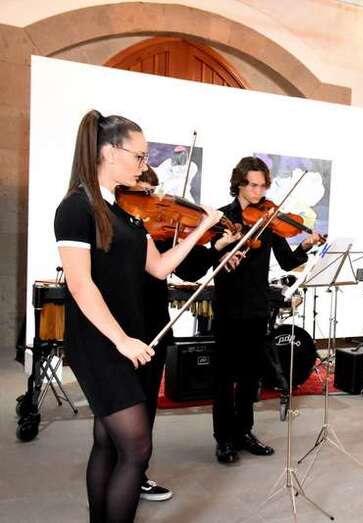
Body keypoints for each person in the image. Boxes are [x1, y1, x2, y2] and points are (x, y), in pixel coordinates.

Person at [54, 110, 222, 522]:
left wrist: (203, 229)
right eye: (140, 156)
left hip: (127, 340)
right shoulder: (76, 208)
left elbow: (160, 267)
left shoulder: (128, 212)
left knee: (108, 443)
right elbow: (80, 285)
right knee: (136, 447)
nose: (144, 165)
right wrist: (121, 340)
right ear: (110, 152)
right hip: (101, 342)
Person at [134, 167, 241, 501]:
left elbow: (189, 268)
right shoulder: (119, 228)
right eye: (143, 194)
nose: (151, 205)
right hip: (124, 324)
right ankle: (121, 469)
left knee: (147, 402)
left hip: (153, 322)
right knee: (123, 407)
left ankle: (138, 472)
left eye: (153, 194)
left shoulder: (162, 233)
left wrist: (217, 245)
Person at [210, 156, 321, 464]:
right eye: (253, 185)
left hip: (258, 308)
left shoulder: (268, 220)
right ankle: (223, 439)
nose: (259, 192)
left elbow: (287, 262)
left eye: (263, 186)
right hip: (229, 307)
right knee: (224, 377)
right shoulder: (221, 217)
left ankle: (244, 432)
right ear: (239, 184)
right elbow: (211, 259)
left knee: (249, 377)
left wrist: (305, 246)